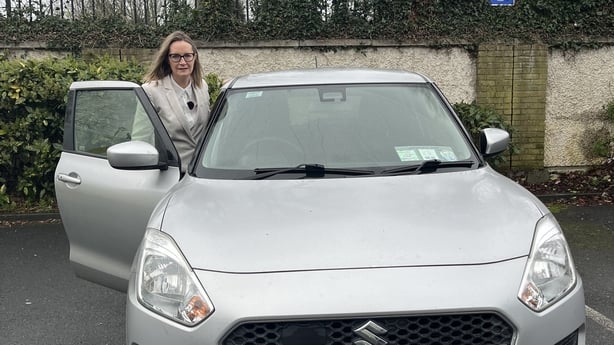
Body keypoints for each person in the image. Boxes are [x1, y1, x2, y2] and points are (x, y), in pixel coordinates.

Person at [132, 31, 210, 172]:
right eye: (175, 57)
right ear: (167, 59)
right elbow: (140, 140)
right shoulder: (151, 91)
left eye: (187, 56)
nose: (182, 62)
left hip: (203, 172)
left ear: (195, 57)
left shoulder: (202, 86)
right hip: (170, 175)